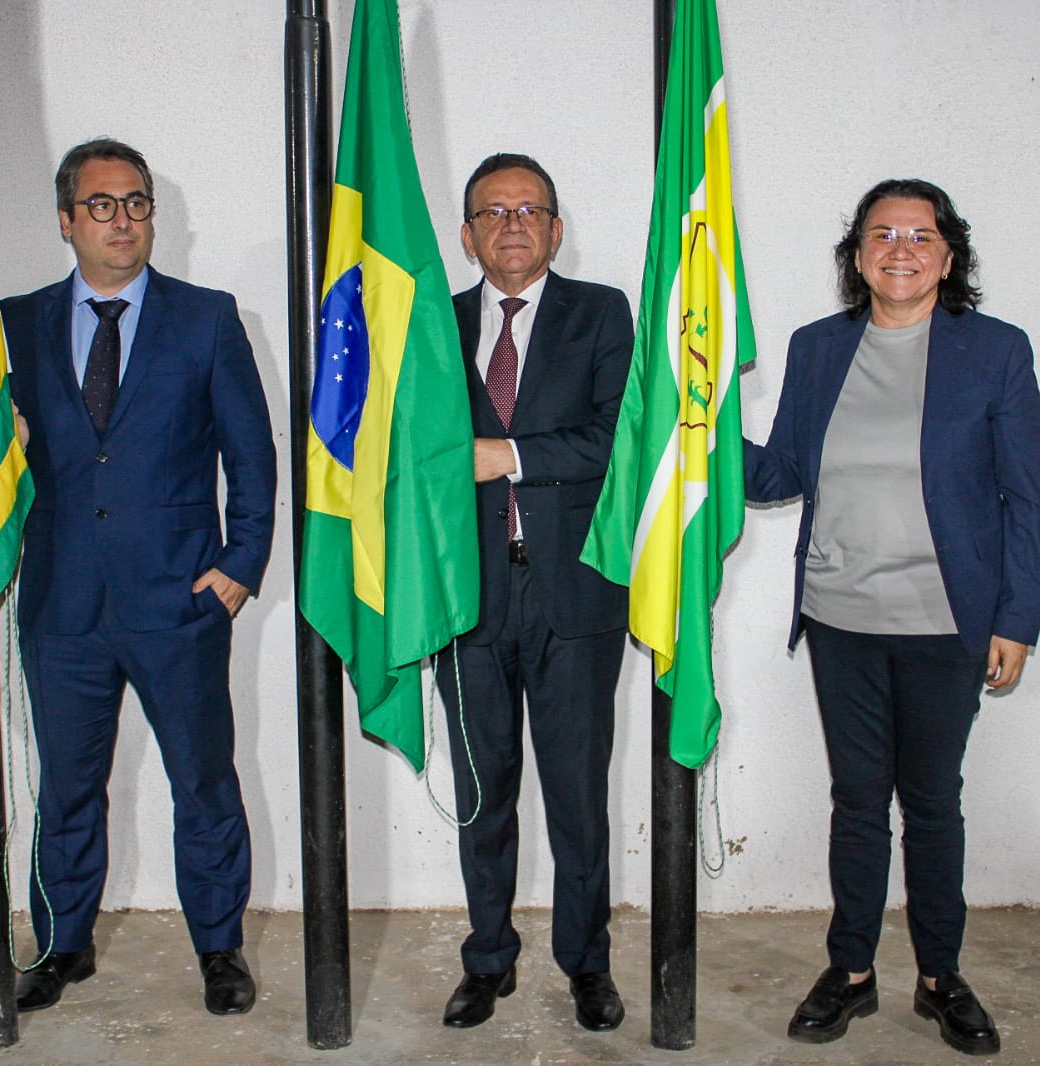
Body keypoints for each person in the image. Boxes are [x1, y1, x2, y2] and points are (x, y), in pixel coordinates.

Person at [743, 179, 1040, 1056]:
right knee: (854, 802)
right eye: (882, 234)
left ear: (948, 256)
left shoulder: (993, 351)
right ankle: (849, 971)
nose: (900, 249)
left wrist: (1016, 617)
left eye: (921, 235)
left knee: (931, 804)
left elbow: (1027, 497)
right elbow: (782, 474)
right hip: (839, 616)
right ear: (856, 254)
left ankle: (939, 977)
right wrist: (697, 429)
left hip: (945, 622)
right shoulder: (817, 348)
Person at [2, 138, 277, 1017]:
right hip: (60, 603)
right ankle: (63, 944)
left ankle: (220, 948)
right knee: (67, 787)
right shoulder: (14, 323)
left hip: (179, 600)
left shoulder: (206, 318)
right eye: (101, 204)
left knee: (204, 782)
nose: (121, 220)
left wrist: (238, 567)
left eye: (135, 203)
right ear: (65, 220)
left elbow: (252, 454)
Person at [433, 153, 634, 1032]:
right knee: (484, 794)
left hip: (575, 598)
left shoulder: (601, 313)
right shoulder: (433, 324)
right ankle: (488, 959)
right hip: (465, 596)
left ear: (555, 229)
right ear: (466, 234)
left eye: (528, 211)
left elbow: (619, 436)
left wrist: (507, 455)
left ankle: (586, 963)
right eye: (493, 212)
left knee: (577, 797)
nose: (511, 225)